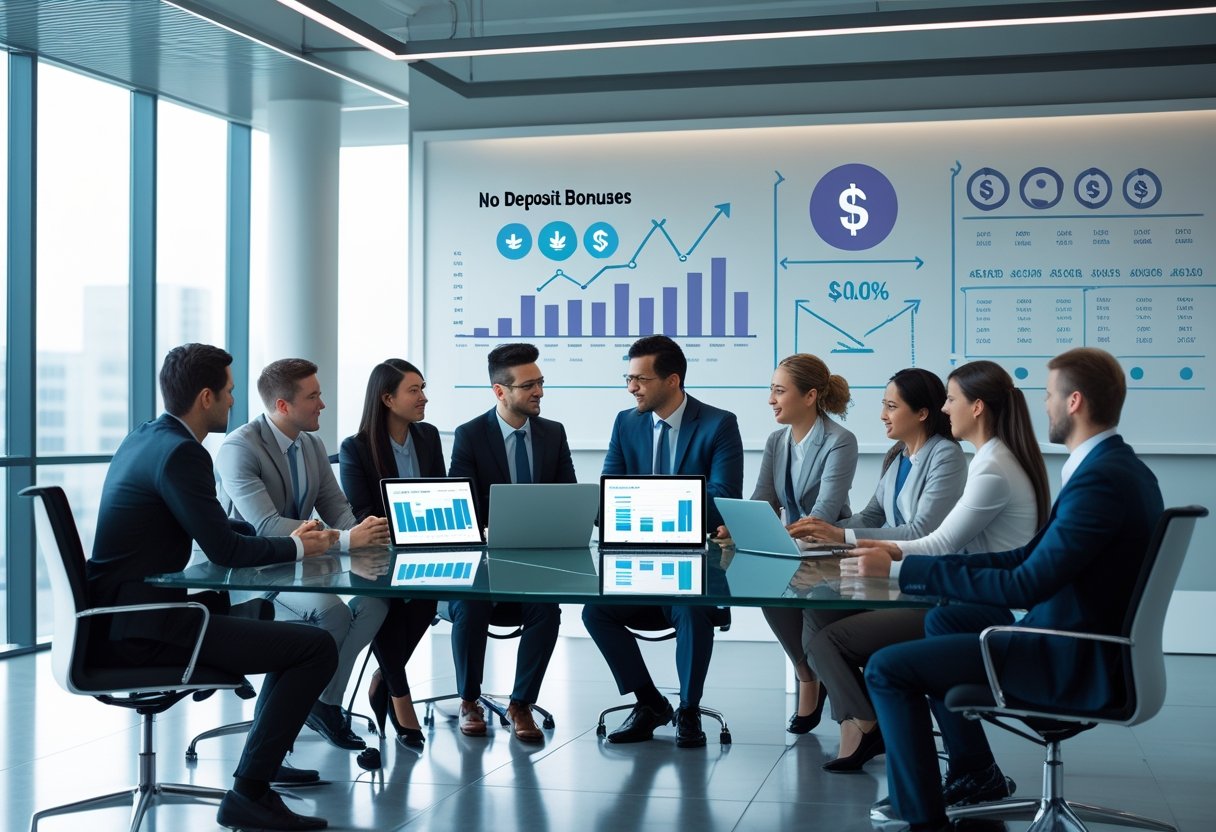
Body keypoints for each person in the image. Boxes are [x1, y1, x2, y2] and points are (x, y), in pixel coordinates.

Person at [863, 348, 1163, 832]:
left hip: (1072, 657)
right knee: (945, 620)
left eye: (1049, 395)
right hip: (1081, 638)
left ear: (1074, 402)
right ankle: (974, 771)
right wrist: (912, 568)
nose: (1041, 405)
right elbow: (1024, 558)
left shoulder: (1100, 481)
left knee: (886, 669)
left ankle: (919, 816)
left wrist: (905, 571)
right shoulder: (1116, 469)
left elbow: (1027, 583)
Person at [87, 343, 338, 832]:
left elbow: (217, 527)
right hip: (147, 628)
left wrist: (285, 536)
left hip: (122, 617)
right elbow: (224, 551)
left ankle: (255, 775)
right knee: (316, 648)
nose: (232, 403)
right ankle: (250, 792)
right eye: (229, 393)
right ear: (205, 396)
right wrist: (298, 549)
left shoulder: (146, 438)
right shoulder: (184, 453)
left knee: (265, 621)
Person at [799, 360, 1050, 772]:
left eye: (951, 400)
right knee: (817, 610)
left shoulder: (977, 464)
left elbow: (936, 540)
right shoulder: (925, 457)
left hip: (969, 602)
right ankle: (867, 724)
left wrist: (857, 549)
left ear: (977, 407)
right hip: (959, 591)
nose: (946, 408)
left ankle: (867, 727)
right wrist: (825, 532)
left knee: (838, 643)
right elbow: (878, 518)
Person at [215, 358, 391, 751]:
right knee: (333, 613)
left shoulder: (311, 445)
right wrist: (347, 541)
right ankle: (288, 722)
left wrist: (371, 532)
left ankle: (324, 702)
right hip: (251, 574)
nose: (322, 405)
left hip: (301, 568)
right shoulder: (239, 448)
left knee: (375, 604)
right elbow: (265, 526)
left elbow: (339, 511)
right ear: (282, 405)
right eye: (313, 396)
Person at [583, 335, 744, 748]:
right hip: (634, 564)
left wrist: (639, 504)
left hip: (694, 564)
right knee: (594, 613)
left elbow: (724, 498)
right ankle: (650, 702)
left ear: (672, 380)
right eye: (628, 378)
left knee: (690, 609)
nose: (631, 387)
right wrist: (674, 503)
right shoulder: (626, 422)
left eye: (640, 379)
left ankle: (689, 709)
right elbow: (609, 494)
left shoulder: (718, 423)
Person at [447, 343, 574, 742]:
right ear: (501, 392)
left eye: (541, 383)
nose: (539, 392)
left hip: (534, 563)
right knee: (470, 603)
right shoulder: (470, 435)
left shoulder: (553, 433)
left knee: (546, 610)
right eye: (529, 385)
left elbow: (568, 494)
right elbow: (461, 505)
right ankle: (469, 699)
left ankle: (521, 704)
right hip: (482, 563)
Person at [729, 354, 862, 736]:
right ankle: (806, 675)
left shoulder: (840, 441)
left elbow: (824, 513)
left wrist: (780, 534)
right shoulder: (777, 440)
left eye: (779, 391)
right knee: (765, 590)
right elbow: (763, 499)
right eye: (771, 390)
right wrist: (738, 526)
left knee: (803, 605)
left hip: (828, 551)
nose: (771, 399)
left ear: (810, 396)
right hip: (791, 549)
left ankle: (823, 685)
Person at [339, 358, 443, 750]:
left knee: (427, 600)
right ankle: (401, 698)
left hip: (425, 549)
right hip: (379, 555)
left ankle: (384, 677)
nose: (423, 398)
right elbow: (362, 511)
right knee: (386, 604)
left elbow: (440, 494)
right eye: (414, 390)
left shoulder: (428, 437)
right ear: (387, 398)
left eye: (422, 388)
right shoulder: (356, 448)